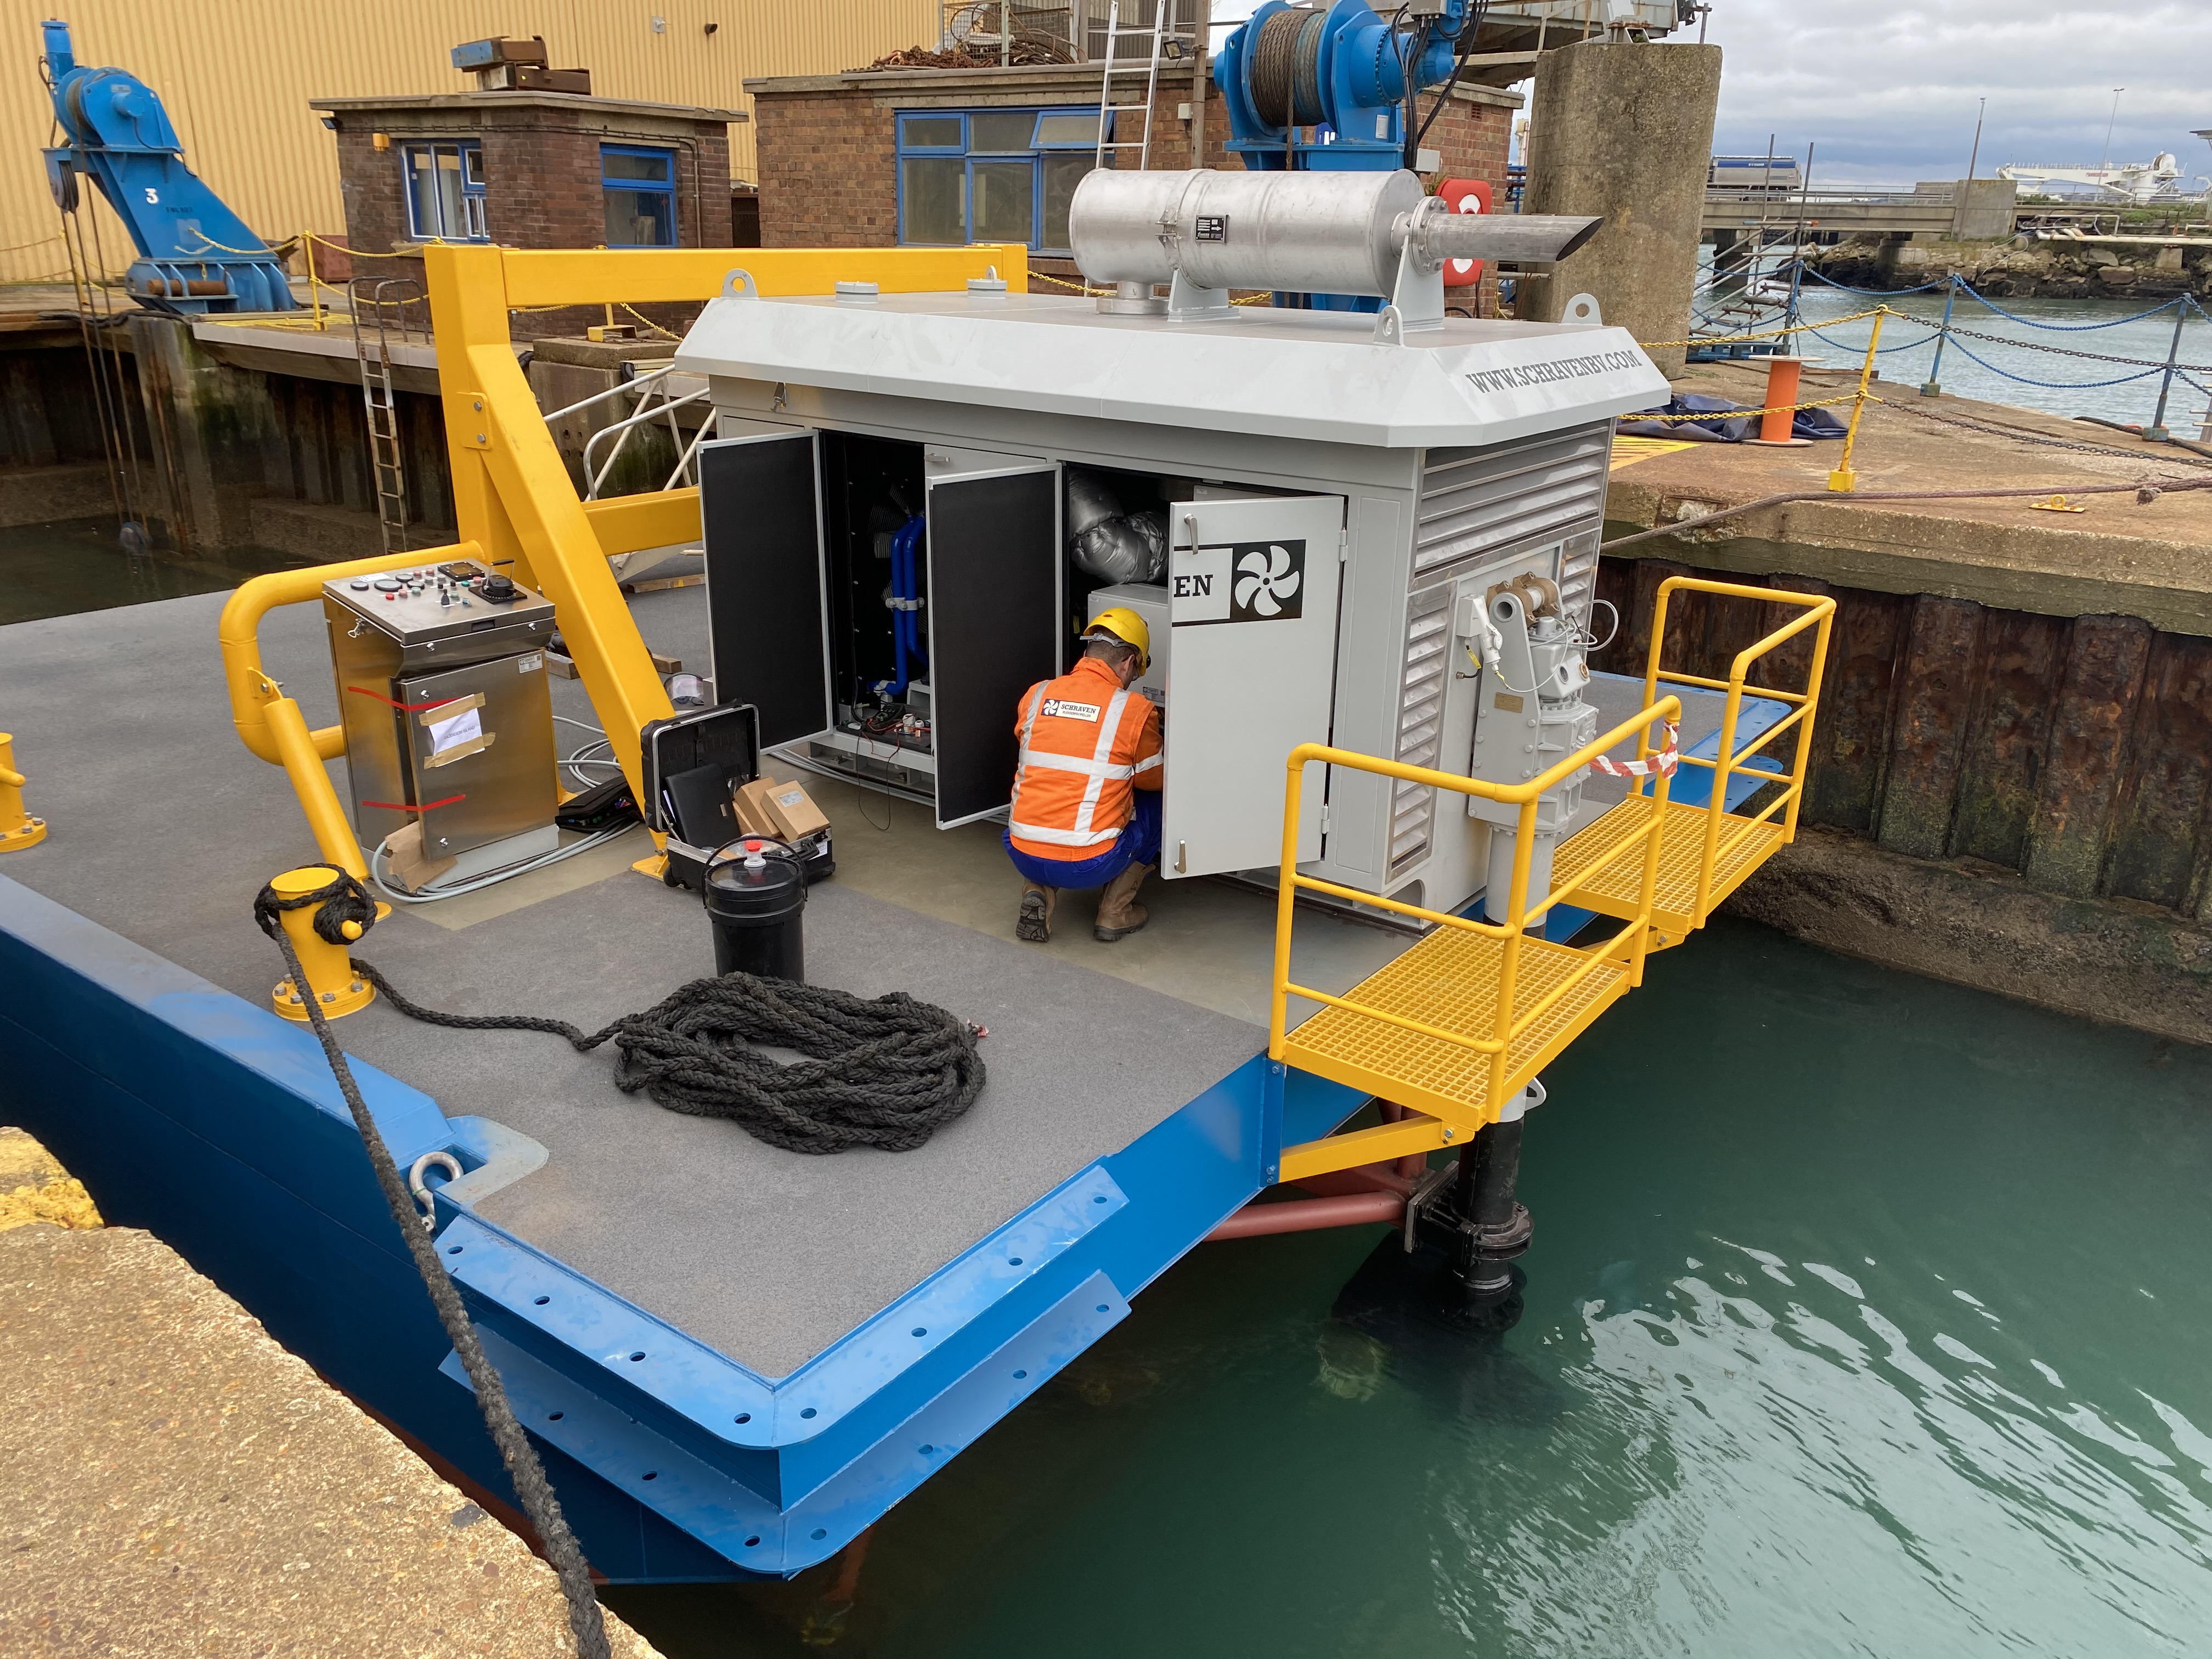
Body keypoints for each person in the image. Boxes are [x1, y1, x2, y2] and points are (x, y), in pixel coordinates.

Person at [1004, 607, 1163, 944]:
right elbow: (1154, 780)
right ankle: (1113, 914)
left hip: (1022, 851)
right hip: (1089, 864)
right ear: (1129, 662)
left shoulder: (1038, 694)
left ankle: (1040, 894)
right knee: (1155, 803)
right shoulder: (1134, 709)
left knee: (1050, 786)